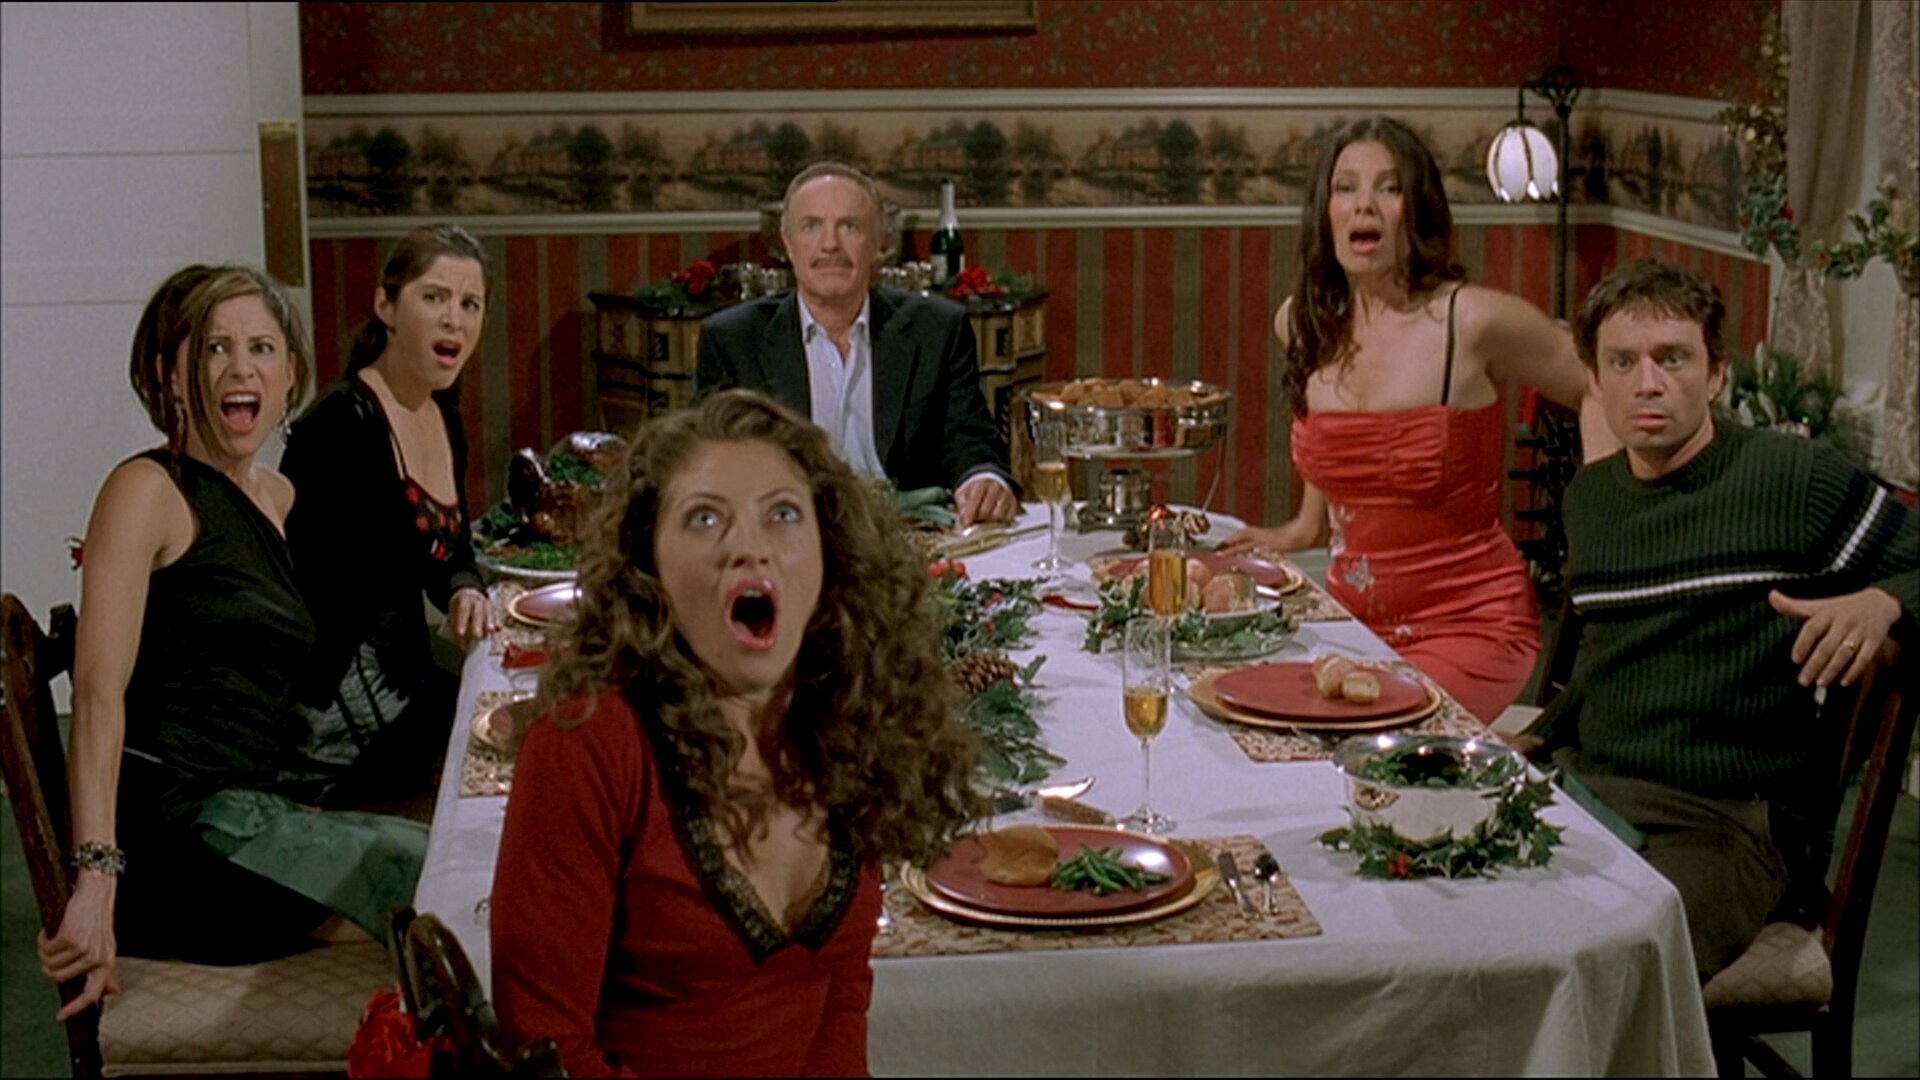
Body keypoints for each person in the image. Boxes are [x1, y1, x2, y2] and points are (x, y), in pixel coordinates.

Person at [491, 389, 984, 1077]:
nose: (749, 548)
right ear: (648, 563)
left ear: (830, 549)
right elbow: (545, 1049)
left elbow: (839, 1001)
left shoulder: (845, 716)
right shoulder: (591, 741)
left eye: (782, 514)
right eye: (704, 519)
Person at [38, 267, 427, 1017]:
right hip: (180, 845)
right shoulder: (146, 491)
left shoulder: (276, 497)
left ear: (291, 376)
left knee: (457, 868)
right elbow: (96, 697)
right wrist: (94, 880)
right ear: (171, 374)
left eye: (261, 347)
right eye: (215, 348)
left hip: (251, 817)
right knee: (448, 897)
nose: (240, 367)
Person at [1528, 258, 1916, 979]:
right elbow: (1610, 660)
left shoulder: (1788, 479)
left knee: (1603, 963)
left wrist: (1881, 602)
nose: (1648, 383)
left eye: (1672, 359)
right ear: (1596, 381)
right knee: (1463, 917)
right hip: (1591, 794)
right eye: (1623, 362)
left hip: (1730, 825)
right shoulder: (1593, 499)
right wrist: (1537, 742)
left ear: (1715, 375)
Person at [1221, 115, 1614, 721]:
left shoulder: (1471, 321)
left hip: (1472, 625)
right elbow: (1335, 442)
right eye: (1346, 188)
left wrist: (1608, 526)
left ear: (1418, 209)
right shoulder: (1302, 323)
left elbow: (1601, 381)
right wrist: (1304, 526)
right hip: (1351, 626)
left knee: (1364, 735)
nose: (1364, 205)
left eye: (1389, 187)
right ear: (1325, 213)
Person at [281, 225, 498, 809]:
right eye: (434, 297)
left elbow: (452, 550)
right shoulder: (340, 426)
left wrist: (464, 587)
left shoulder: (442, 412)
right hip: (334, 708)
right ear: (386, 305)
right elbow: (321, 605)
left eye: (470, 304)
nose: (454, 319)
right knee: (496, 752)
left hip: (404, 678)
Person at [694, 161, 1018, 527]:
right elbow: (710, 462)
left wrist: (982, 479)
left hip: (914, 536)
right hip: (788, 534)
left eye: (849, 226)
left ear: (879, 243)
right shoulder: (733, 341)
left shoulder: (938, 330)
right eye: (811, 226)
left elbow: (969, 439)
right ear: (788, 243)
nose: (830, 245)